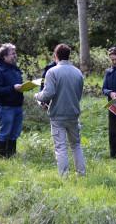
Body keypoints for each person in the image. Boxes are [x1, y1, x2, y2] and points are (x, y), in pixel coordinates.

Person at [34, 44, 86, 176]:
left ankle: (64, 176)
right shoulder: (78, 72)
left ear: (55, 56)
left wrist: (37, 96)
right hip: (73, 114)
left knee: (61, 147)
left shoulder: (52, 72)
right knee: (76, 145)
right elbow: (78, 94)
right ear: (69, 56)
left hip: (57, 116)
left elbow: (48, 94)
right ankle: (81, 173)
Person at [0, 43, 24, 157]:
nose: (15, 56)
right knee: (5, 132)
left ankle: (12, 154)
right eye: (12, 53)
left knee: (15, 133)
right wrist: (12, 88)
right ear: (4, 56)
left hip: (17, 106)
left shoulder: (16, 69)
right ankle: (3, 156)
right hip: (5, 107)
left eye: (15, 53)